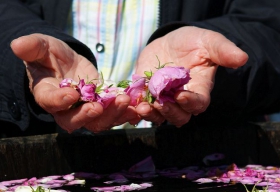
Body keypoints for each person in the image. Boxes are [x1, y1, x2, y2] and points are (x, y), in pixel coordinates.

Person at [1, 0, 280, 138]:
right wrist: (29, 66)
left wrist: (211, 64)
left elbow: (268, 21)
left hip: (196, 155)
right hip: (38, 150)